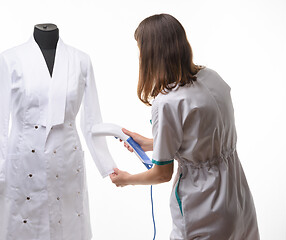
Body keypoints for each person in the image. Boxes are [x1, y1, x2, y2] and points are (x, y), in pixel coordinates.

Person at [110, 14, 260, 240]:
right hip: (237, 196)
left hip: (204, 205)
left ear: (150, 54)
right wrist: (152, 144)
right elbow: (205, 138)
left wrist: (126, 179)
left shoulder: (167, 101)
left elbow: (162, 173)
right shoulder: (212, 78)